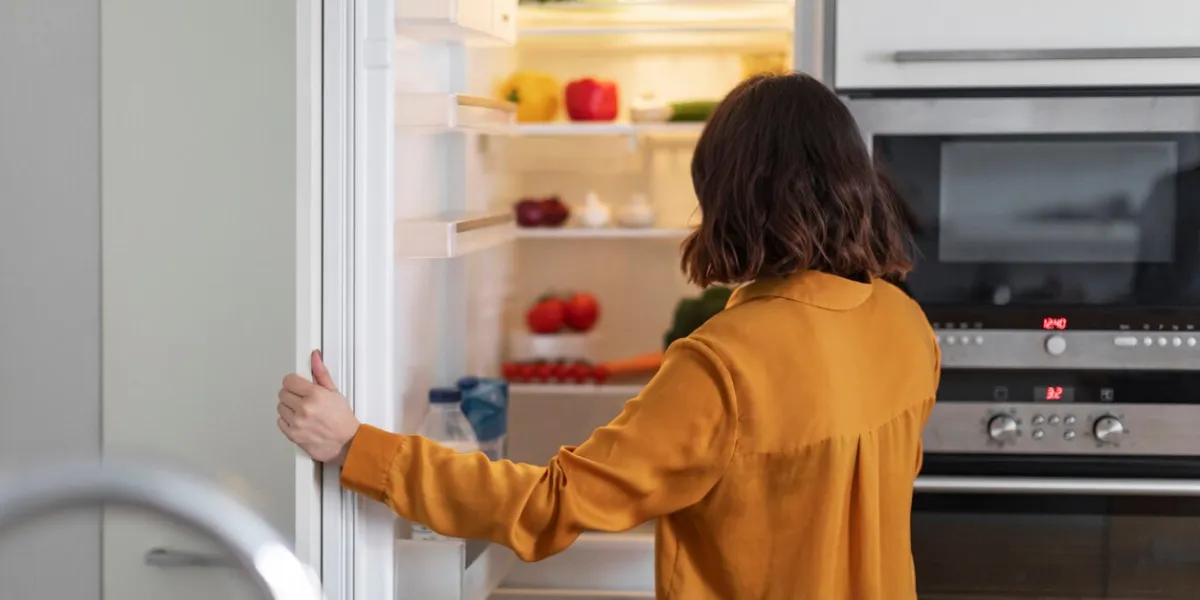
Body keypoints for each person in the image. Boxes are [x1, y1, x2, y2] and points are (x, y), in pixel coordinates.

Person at [277, 73, 939, 599]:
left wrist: (358, 446)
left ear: (729, 198)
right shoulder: (907, 327)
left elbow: (548, 506)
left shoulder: (725, 366)